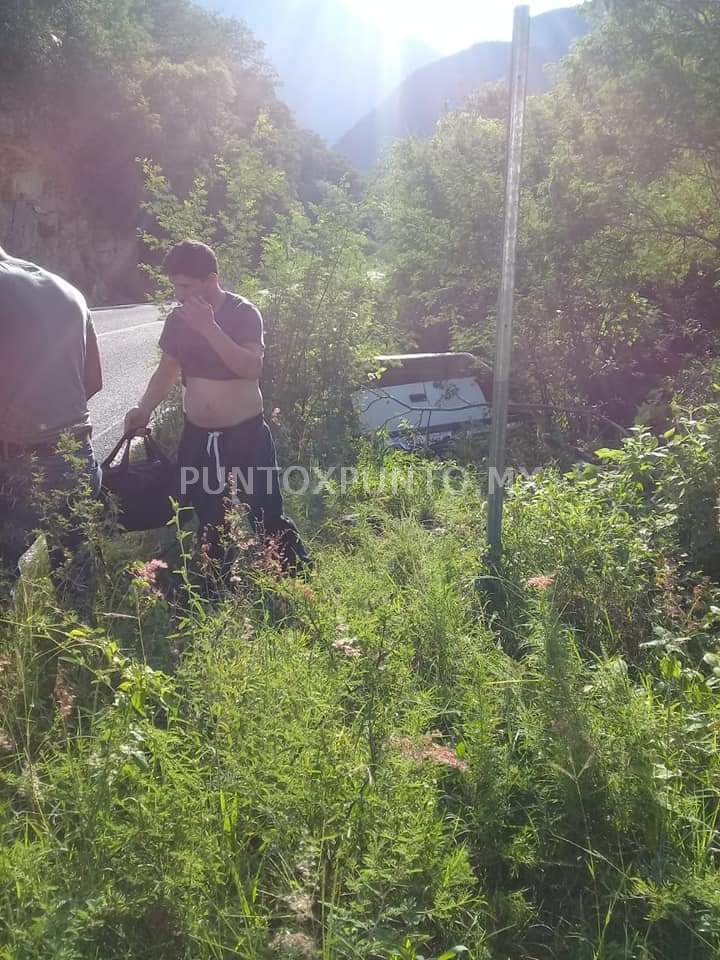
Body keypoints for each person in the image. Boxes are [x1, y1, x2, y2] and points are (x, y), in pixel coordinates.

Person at [124, 239, 311, 579]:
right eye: (175, 286)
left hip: (246, 435)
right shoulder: (178, 320)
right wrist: (144, 408)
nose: (178, 295)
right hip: (198, 437)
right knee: (209, 517)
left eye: (185, 286)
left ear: (211, 280)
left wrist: (209, 328)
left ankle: (299, 582)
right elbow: (168, 370)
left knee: (266, 513)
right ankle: (216, 590)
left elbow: (250, 367)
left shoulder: (243, 313)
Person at [0, 244, 103, 610]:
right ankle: (84, 663)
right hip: (77, 457)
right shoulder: (66, 288)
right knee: (75, 583)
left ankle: (18, 663)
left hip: (17, 466)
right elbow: (92, 381)